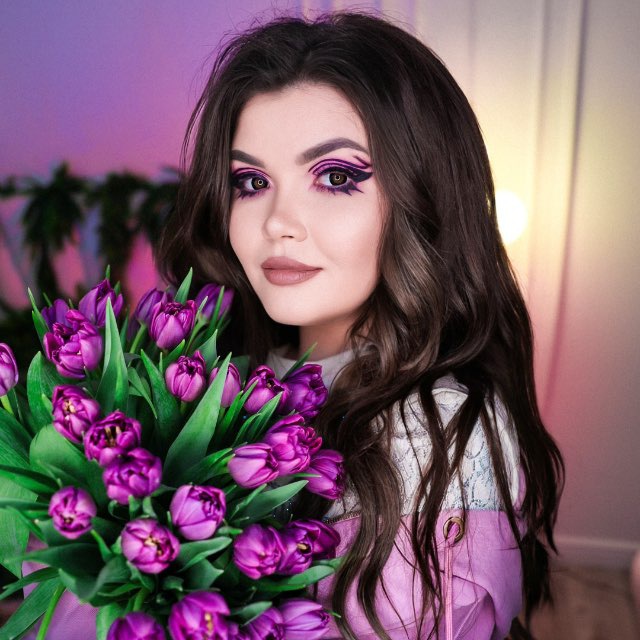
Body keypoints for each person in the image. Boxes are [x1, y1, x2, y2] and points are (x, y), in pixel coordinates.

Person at [158, 10, 564, 640]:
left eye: (336, 177)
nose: (278, 221)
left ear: (424, 197)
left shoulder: (437, 433)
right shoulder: (213, 380)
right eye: (251, 181)